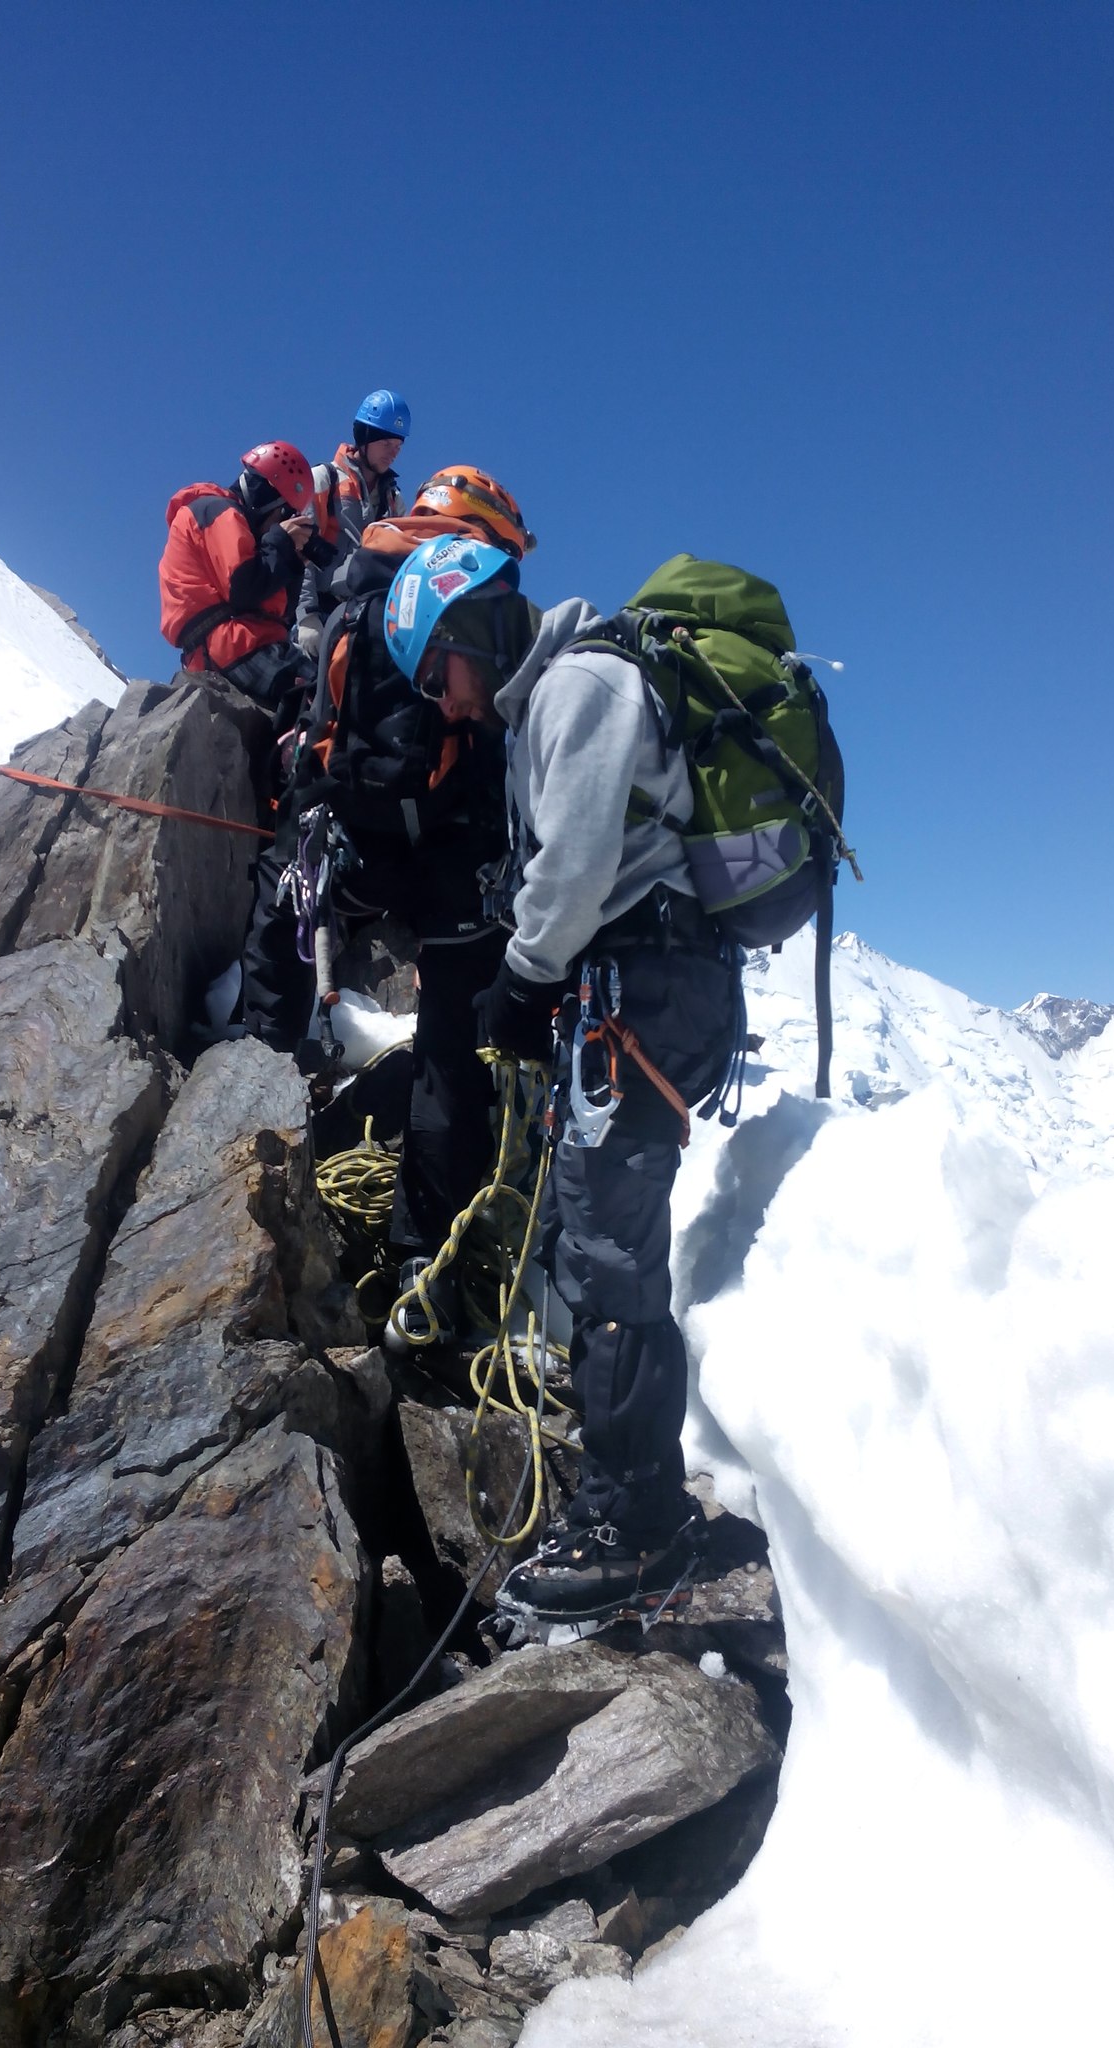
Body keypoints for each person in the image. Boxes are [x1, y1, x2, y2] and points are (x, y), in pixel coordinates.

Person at [382, 535, 741, 1621]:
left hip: (644, 985)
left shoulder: (579, 684)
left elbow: (579, 863)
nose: (446, 704)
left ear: (469, 635)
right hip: (636, 984)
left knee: (605, 1247)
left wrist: (524, 977)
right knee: (595, 1232)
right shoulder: (557, 699)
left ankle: (637, 1524)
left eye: (438, 674)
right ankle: (629, 1495)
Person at [242, 512, 534, 1347]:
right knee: (452, 1049)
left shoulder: (369, 613)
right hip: (450, 858)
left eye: (446, 687)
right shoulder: (495, 659)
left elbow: (314, 762)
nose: (449, 704)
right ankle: (426, 1262)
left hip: (353, 835)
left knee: (286, 916)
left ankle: (246, 1093)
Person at [158, 441, 329, 714]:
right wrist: (281, 542)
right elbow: (244, 588)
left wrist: (294, 562)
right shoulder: (216, 509)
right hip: (231, 646)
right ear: (266, 496)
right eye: (284, 512)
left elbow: (282, 614)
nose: (281, 521)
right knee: (326, 699)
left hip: (244, 643)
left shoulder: (242, 531)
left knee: (334, 687)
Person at [293, 390, 411, 657]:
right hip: (321, 611)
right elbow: (299, 549)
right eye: (387, 444)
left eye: (399, 447)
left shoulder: (394, 502)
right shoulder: (323, 480)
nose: (394, 454)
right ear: (366, 437)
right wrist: (306, 616)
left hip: (368, 616)